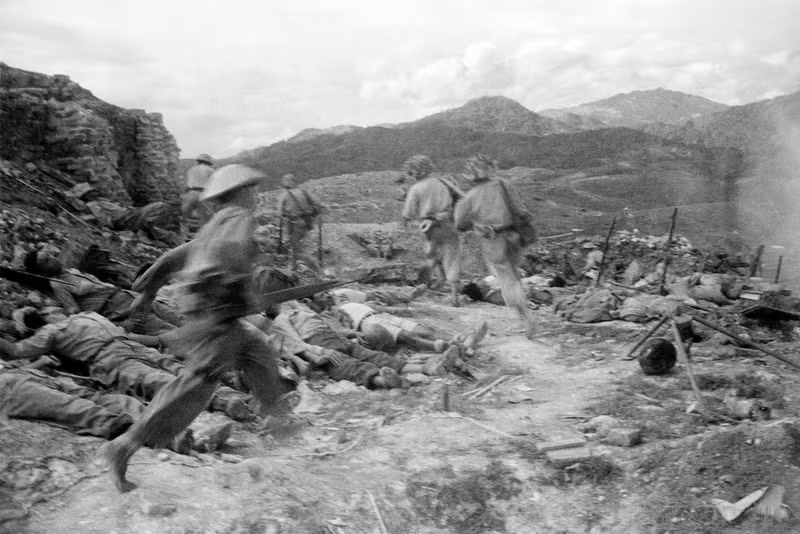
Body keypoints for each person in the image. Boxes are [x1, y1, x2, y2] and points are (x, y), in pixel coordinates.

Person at [104, 164, 285, 493]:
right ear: (239, 192)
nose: (254, 195)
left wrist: (148, 291)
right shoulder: (236, 219)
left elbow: (175, 257)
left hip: (217, 315)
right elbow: (225, 257)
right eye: (250, 189)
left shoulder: (214, 224)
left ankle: (279, 419)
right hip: (218, 317)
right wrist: (240, 291)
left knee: (260, 354)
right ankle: (125, 445)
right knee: (196, 385)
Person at [0, 310, 251, 421]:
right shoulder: (48, 333)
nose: (40, 310)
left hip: (131, 345)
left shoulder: (82, 314)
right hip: (109, 358)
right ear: (34, 323)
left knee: (183, 369)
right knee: (158, 380)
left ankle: (238, 398)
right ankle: (224, 403)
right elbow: (15, 352)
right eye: (30, 313)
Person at [454, 154, 537, 339]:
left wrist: (476, 224)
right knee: (514, 273)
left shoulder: (470, 197)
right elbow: (521, 210)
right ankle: (522, 313)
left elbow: (459, 223)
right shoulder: (503, 184)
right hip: (514, 236)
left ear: (471, 174)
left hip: (492, 240)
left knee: (505, 278)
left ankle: (526, 316)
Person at [23, 249, 180, 335]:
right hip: (122, 310)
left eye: (49, 255)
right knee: (172, 331)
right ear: (41, 271)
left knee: (178, 318)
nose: (52, 258)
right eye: (45, 261)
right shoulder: (58, 285)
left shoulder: (71, 271)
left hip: (132, 297)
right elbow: (74, 311)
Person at [401, 155, 463, 306]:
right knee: (452, 257)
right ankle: (454, 296)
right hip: (448, 223)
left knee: (431, 255)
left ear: (414, 171)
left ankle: (430, 283)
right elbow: (462, 198)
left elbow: (408, 212)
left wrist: (404, 225)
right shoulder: (444, 182)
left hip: (429, 226)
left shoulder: (416, 188)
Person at [329, 300, 487, 355]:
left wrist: (399, 310)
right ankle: (443, 347)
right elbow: (341, 329)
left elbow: (375, 306)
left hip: (380, 316)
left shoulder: (350, 301)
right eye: (325, 297)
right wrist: (354, 330)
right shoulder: (330, 313)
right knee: (405, 336)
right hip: (368, 324)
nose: (330, 297)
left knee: (424, 330)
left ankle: (460, 339)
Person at [70, 183, 177, 244]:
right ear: (87, 196)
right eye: (92, 192)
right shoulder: (93, 205)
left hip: (129, 216)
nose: (96, 192)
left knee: (167, 229)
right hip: (126, 220)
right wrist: (125, 215)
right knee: (159, 205)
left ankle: (150, 228)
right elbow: (105, 221)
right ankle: (149, 226)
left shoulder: (100, 201)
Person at [276, 173, 322, 271]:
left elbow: (280, 213)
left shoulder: (283, 195)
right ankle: (307, 265)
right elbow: (317, 203)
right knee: (303, 245)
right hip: (305, 222)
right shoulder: (304, 191)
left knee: (293, 246)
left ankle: (293, 267)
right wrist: (310, 213)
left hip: (292, 223)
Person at [182, 153, 216, 229]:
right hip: (204, 194)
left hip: (191, 193)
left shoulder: (191, 169)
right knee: (206, 218)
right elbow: (213, 185)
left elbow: (186, 185)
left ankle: (182, 233)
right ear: (209, 162)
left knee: (183, 216)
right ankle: (206, 235)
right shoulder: (211, 170)